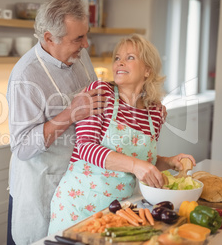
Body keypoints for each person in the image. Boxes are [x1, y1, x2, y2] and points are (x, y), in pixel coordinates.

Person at [47, 34, 196, 234]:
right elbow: (86, 148)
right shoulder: (101, 93)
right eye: (117, 58)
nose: (120, 63)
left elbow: (142, 161)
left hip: (120, 212)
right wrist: (137, 166)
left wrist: (169, 162)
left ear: (147, 70)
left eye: (130, 57)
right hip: (79, 206)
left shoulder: (155, 112)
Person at [6, 0, 107, 245]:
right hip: (43, 186)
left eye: (86, 34)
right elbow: (22, 147)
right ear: (49, 38)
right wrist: (70, 113)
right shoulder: (26, 77)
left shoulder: (80, 54)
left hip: (80, 182)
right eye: (78, 38)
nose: (86, 44)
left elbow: (94, 102)